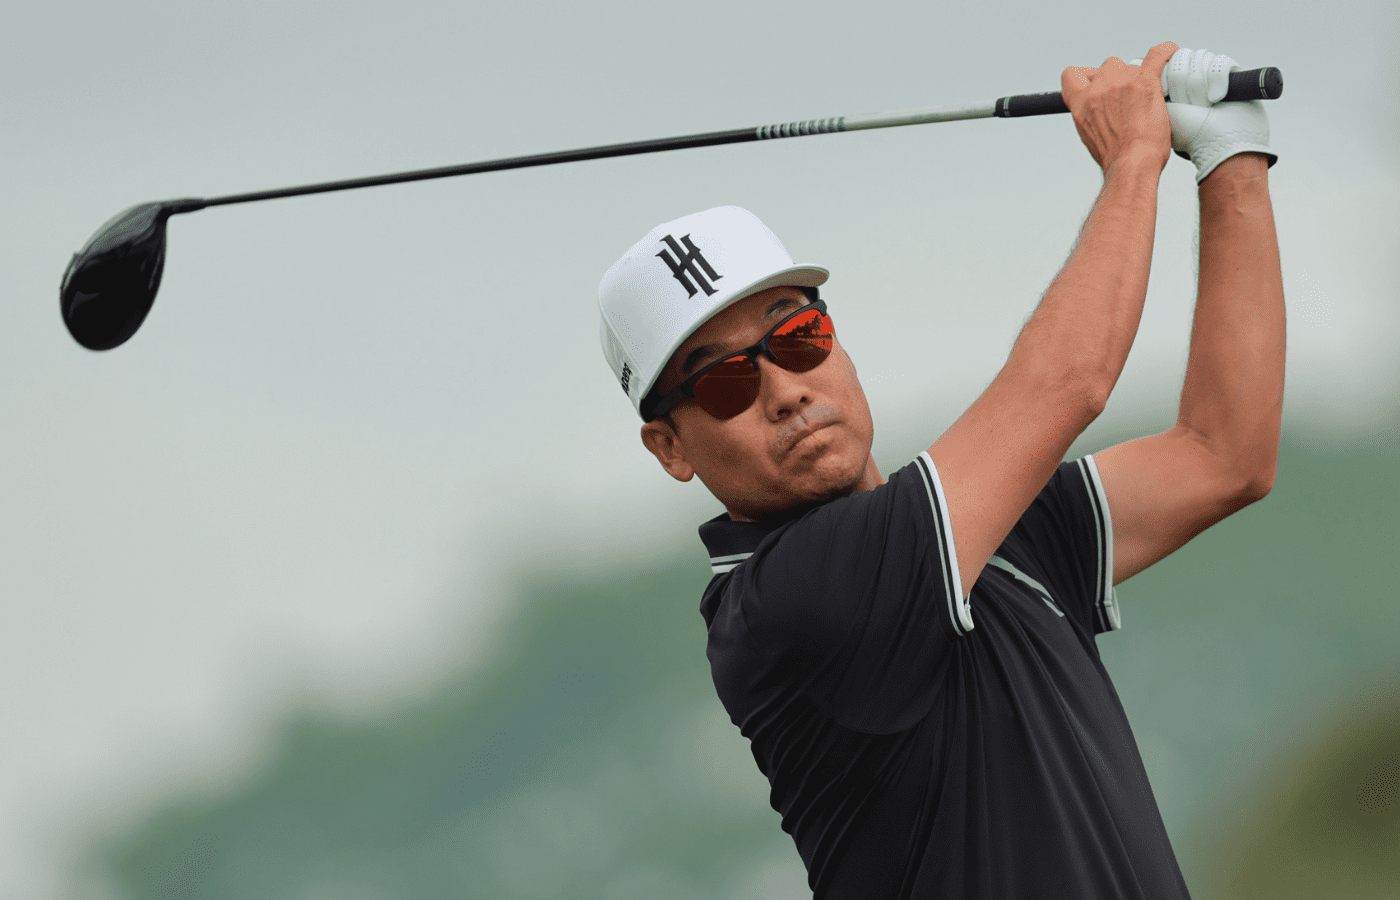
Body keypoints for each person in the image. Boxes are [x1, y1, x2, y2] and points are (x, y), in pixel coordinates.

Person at [596, 42, 1282, 899]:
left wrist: (1232, 162)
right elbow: (1067, 384)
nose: (785, 392)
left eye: (796, 337)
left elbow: (1225, 456)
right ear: (670, 446)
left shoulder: (987, 532)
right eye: (727, 382)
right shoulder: (791, 601)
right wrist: (1134, 159)